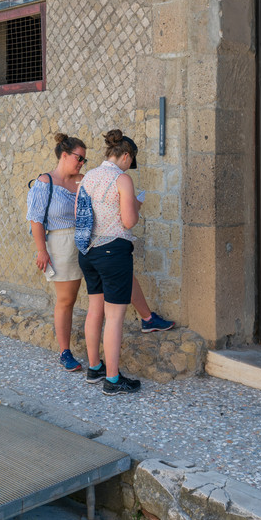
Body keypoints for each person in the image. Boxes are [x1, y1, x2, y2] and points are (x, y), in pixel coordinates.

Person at [27, 133, 173, 373]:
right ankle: (68, 353)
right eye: (79, 158)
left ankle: (145, 319)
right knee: (68, 300)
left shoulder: (85, 179)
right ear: (64, 155)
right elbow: (35, 219)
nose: (82, 162)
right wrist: (41, 250)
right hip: (65, 243)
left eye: (84, 159)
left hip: (86, 242)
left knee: (112, 291)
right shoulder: (46, 181)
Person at [78, 130, 145, 395]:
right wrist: (136, 207)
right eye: (131, 162)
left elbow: (79, 215)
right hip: (113, 251)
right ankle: (113, 380)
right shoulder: (121, 179)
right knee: (115, 317)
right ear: (126, 156)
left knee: (95, 310)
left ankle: (94, 368)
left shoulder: (88, 177)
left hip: (87, 251)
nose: (130, 167)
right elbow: (128, 222)